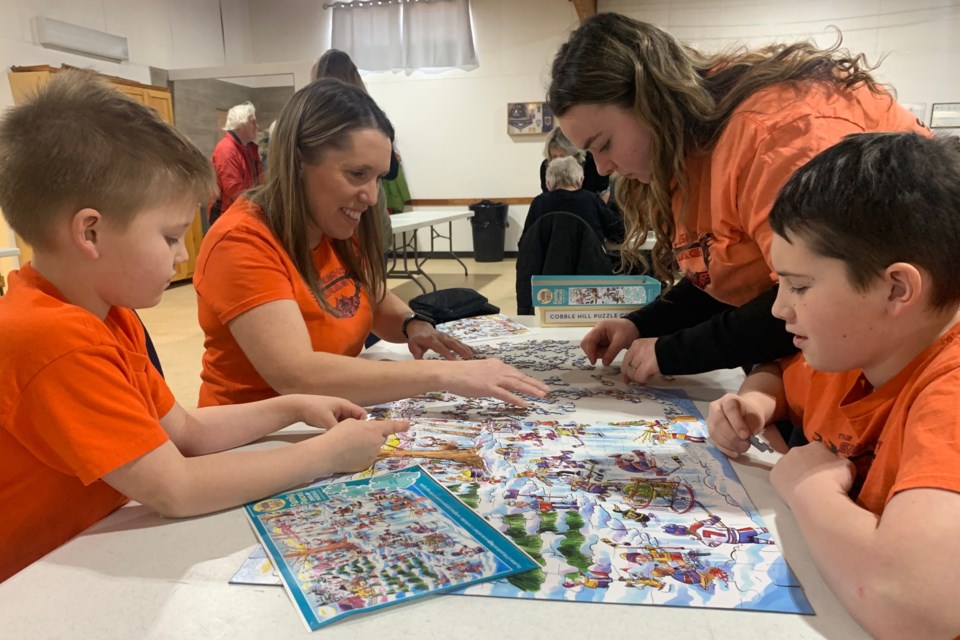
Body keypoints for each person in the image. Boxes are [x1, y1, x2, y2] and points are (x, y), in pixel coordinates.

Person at [0, 71, 409, 582]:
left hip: (90, 552)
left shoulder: (107, 312)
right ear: (91, 231)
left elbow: (184, 432)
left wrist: (294, 407)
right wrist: (325, 453)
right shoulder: (53, 337)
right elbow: (177, 488)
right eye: (171, 236)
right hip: (34, 581)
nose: (181, 256)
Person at [547, 13, 929, 384]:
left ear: (651, 101)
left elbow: (810, 300)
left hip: (905, 360)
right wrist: (641, 325)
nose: (602, 167)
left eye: (605, 144)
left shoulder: (776, 136)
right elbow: (724, 275)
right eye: (589, 154)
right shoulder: (686, 149)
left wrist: (672, 351)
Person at [707, 132, 960, 638]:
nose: (779, 309)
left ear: (897, 289)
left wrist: (808, 488)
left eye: (799, 287)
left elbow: (918, 607)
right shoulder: (858, 345)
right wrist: (757, 400)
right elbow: (785, 374)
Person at [193, 79, 548, 408]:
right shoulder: (241, 240)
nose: (372, 197)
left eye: (378, 177)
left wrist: (413, 324)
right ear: (299, 162)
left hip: (328, 419)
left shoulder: (335, 225)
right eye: (357, 174)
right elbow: (296, 375)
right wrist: (446, 374)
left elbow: (370, 298)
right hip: (252, 442)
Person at [522, 156, 624, 245]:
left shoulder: (539, 203)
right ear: (581, 180)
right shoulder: (591, 199)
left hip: (547, 265)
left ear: (548, 184)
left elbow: (524, 242)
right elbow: (618, 234)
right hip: (589, 263)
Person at [210, 101, 262, 225]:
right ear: (241, 124)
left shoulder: (249, 148)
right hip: (226, 216)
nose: (257, 126)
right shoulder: (226, 149)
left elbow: (259, 181)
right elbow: (234, 190)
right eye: (252, 121)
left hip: (243, 211)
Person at [539, 127, 609, 197]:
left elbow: (603, 193)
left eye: (563, 156)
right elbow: (547, 197)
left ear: (574, 154)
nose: (558, 161)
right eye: (554, 157)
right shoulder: (546, 167)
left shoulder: (592, 163)